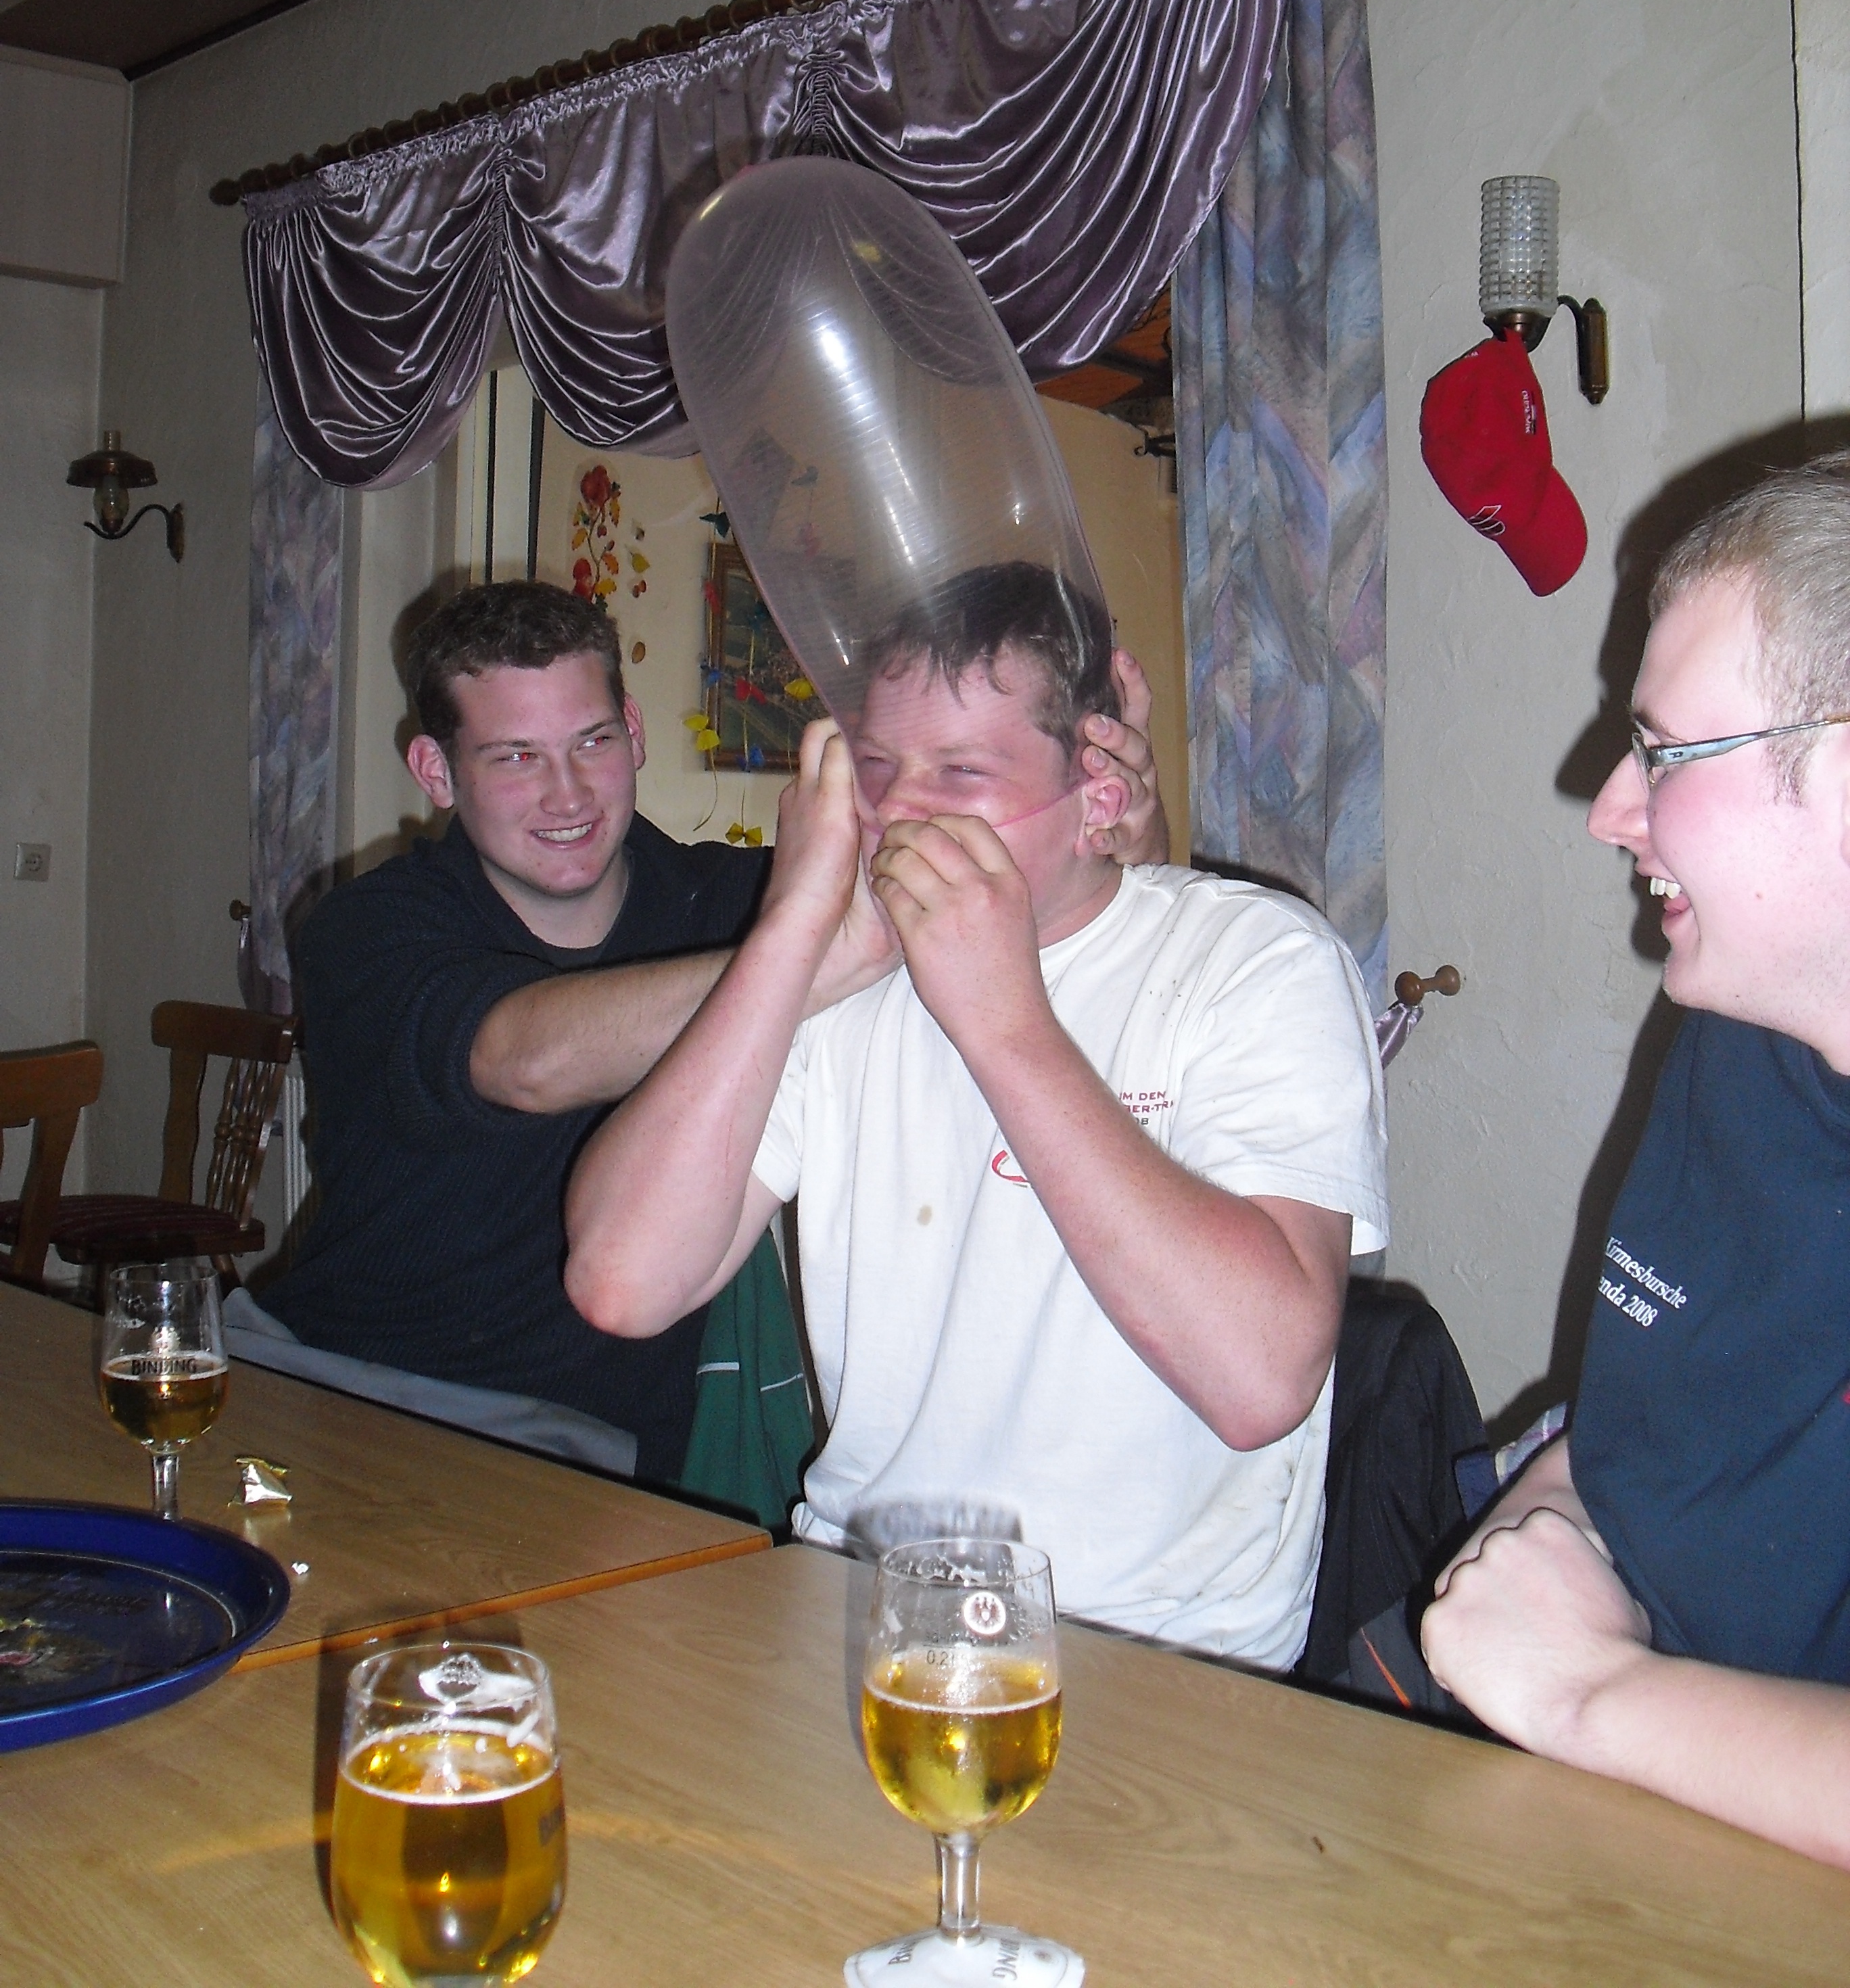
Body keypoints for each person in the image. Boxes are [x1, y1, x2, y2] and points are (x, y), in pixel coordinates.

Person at [565, 563, 1387, 1661]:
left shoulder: (1255, 961)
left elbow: (1259, 1382)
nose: (901, 812)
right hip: (866, 1611)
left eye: (961, 771)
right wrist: (792, 938)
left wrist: (1006, 1024)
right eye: (878, 769)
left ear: (1099, 795)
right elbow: (621, 1283)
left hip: (1163, 1654)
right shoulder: (847, 979)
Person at [256, 579, 1170, 1488]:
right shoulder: (364, 927)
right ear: (435, 771)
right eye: (515, 758)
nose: (567, 794)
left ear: (634, 734)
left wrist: (1118, 824)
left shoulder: (739, 901)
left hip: (598, 1454)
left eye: (592, 742)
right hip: (349, 1395)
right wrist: (810, 953)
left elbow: (1050, 922)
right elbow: (523, 1060)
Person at [1421, 453, 1850, 1868]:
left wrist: (1585, 1690)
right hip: (1623, 1829)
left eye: (1664, 754)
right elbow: (1640, 1442)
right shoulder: (1744, 1045)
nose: (1607, 804)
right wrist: (1549, 1527)